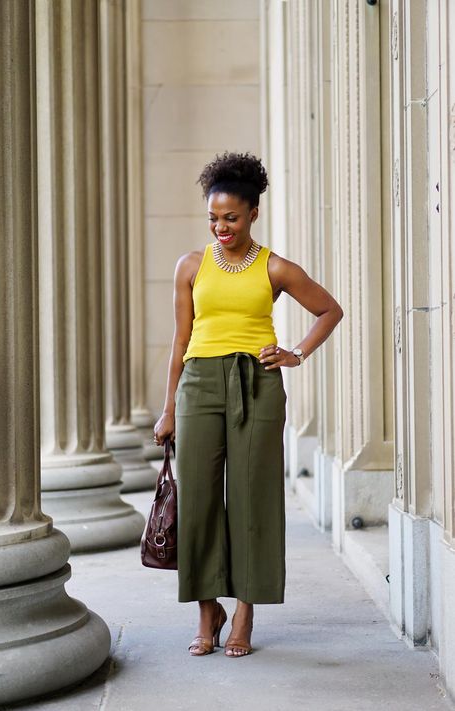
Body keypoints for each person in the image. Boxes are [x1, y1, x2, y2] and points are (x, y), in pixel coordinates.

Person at [153, 151, 343, 658]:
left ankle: (244, 611)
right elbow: (180, 339)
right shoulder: (190, 266)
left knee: (252, 496)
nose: (221, 227)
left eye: (231, 218)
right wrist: (169, 407)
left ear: (253, 213)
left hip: (257, 386)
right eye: (213, 218)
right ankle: (206, 608)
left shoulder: (274, 267)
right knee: (199, 500)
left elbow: (329, 309)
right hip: (198, 384)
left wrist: (295, 353)